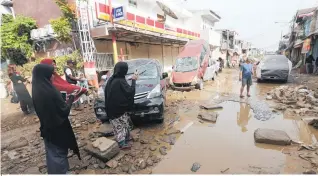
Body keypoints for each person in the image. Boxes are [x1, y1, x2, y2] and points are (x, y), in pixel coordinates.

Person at [32, 64, 81, 174]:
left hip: (47, 127)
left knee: (52, 154)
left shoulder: (38, 88)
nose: (53, 77)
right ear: (45, 75)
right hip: (57, 128)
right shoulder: (49, 91)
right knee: (59, 154)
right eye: (51, 74)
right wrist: (71, 98)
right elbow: (63, 111)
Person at [104, 62, 137, 149]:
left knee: (121, 125)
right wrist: (134, 81)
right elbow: (130, 92)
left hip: (111, 109)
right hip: (119, 110)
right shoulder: (121, 81)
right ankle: (122, 144)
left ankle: (126, 138)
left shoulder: (111, 80)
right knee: (120, 126)